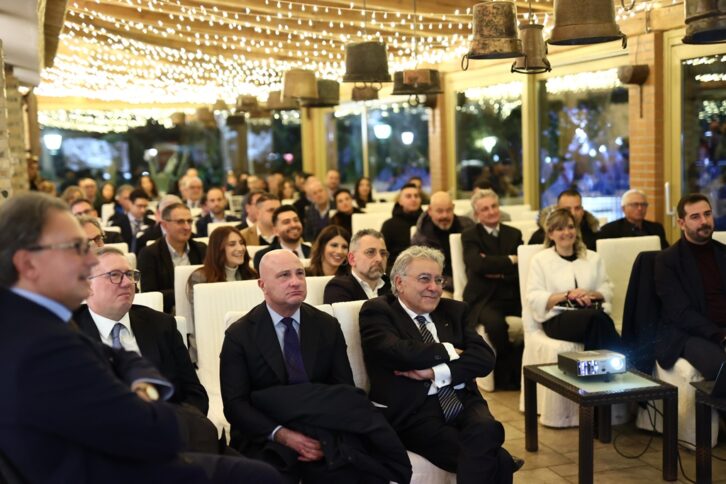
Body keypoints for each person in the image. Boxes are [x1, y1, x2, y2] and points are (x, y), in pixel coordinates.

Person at [0, 192, 281, 484]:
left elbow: (119, 360)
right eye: (76, 248)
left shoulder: (30, 322)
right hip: (106, 470)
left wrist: (137, 379)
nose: (90, 259)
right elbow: (158, 433)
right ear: (28, 264)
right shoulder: (45, 346)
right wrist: (148, 391)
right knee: (258, 477)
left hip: (107, 456)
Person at [220, 250, 412, 484]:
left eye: (300, 273)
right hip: (267, 432)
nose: (295, 281)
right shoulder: (240, 334)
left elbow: (343, 390)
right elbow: (235, 405)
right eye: (284, 275)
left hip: (323, 426)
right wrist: (283, 435)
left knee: (355, 472)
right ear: (262, 285)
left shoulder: (326, 325)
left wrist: (324, 438)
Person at [359, 246, 523, 483]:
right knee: (498, 458)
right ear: (399, 282)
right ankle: (504, 459)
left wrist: (435, 372)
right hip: (414, 411)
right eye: (424, 279)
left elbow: (484, 358)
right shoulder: (378, 311)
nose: (434, 287)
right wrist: (449, 349)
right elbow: (397, 352)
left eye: (438, 280)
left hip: (463, 399)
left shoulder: (454, 310)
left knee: (487, 428)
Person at [76, 246, 219, 453]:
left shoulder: (162, 325)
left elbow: (195, 394)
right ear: (87, 285)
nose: (127, 283)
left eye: (130, 274)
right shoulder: (70, 334)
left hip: (170, 442)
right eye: (114, 275)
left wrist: (172, 429)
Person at [526, 208, 621, 352]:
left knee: (596, 321)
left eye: (570, 227)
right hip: (557, 318)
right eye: (560, 229)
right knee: (596, 320)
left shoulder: (593, 258)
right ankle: (624, 358)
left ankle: (596, 363)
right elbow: (534, 297)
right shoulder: (540, 260)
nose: (567, 232)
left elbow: (606, 290)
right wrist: (568, 295)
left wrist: (588, 294)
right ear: (550, 234)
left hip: (591, 312)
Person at [655, 194, 726, 380]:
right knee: (722, 369)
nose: (704, 221)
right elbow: (681, 313)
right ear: (681, 223)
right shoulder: (667, 260)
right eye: (695, 217)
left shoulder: (723, 252)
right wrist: (720, 336)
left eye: (707, 214)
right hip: (689, 334)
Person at [461, 189, 523, 390]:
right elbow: (478, 266)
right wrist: (510, 260)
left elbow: (522, 269)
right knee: (496, 325)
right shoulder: (469, 235)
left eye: (494, 206)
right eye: (485, 209)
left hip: (512, 294)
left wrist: (494, 266)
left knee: (538, 316)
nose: (491, 212)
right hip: (484, 298)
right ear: (477, 214)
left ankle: (523, 367)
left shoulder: (514, 234)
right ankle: (506, 373)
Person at [138, 202, 207, 313]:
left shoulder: (201, 249)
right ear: (164, 225)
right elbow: (151, 295)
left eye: (189, 221)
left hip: (201, 309)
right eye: (180, 222)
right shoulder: (149, 254)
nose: (187, 227)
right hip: (166, 314)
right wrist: (186, 292)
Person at [187, 226, 258, 330]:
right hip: (215, 331)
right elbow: (202, 319)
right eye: (232, 244)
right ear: (218, 249)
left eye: (241, 243)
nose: (240, 248)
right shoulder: (200, 278)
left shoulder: (251, 275)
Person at [411, 191, 474, 296]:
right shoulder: (421, 237)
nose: (445, 215)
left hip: (471, 284)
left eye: (449, 210)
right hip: (440, 287)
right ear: (430, 210)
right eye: (440, 211)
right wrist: (453, 284)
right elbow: (423, 273)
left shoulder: (468, 226)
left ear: (453, 208)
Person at [323, 229, 391, 304]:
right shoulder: (337, 288)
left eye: (383, 253)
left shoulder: (393, 285)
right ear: (352, 259)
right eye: (370, 252)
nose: (379, 259)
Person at [529, 188, 600, 250]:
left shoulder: (593, 234)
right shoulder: (540, 237)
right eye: (567, 209)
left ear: (582, 211)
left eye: (577, 208)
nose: (573, 213)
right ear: (557, 210)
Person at [598, 189, 669, 249]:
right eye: (635, 205)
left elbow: (665, 252)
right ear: (623, 208)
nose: (640, 208)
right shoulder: (609, 230)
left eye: (643, 204)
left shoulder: (656, 228)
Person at [253, 205, 311, 273]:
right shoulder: (264, 257)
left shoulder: (314, 252)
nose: (293, 225)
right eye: (286, 222)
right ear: (275, 231)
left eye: (296, 220)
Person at [381, 183, 423, 272]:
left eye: (416, 196)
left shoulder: (426, 223)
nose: (413, 199)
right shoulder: (389, 225)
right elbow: (382, 254)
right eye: (408, 196)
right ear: (400, 201)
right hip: (396, 270)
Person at [109, 188, 154, 252]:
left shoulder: (152, 224)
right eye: (139, 206)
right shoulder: (117, 223)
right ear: (130, 203)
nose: (143, 210)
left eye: (145, 206)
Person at [302, 178, 331, 242]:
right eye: (315, 193)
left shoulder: (336, 207)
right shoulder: (309, 211)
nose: (319, 195)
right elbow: (308, 234)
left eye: (320, 191)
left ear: (326, 192)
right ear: (310, 197)